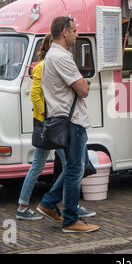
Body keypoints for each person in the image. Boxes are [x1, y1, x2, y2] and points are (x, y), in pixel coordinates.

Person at [16, 34, 95, 220]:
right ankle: (28, 206)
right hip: (51, 125)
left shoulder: (49, 64)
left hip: (53, 123)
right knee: (65, 166)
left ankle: (66, 205)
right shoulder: (44, 66)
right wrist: (47, 117)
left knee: (67, 165)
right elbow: (35, 96)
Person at [36, 16, 99, 233]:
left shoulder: (52, 55)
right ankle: (71, 220)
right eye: (74, 30)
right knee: (74, 169)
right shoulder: (61, 57)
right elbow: (83, 90)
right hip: (71, 121)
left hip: (65, 119)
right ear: (64, 31)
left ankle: (49, 202)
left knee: (77, 166)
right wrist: (84, 83)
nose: (77, 34)